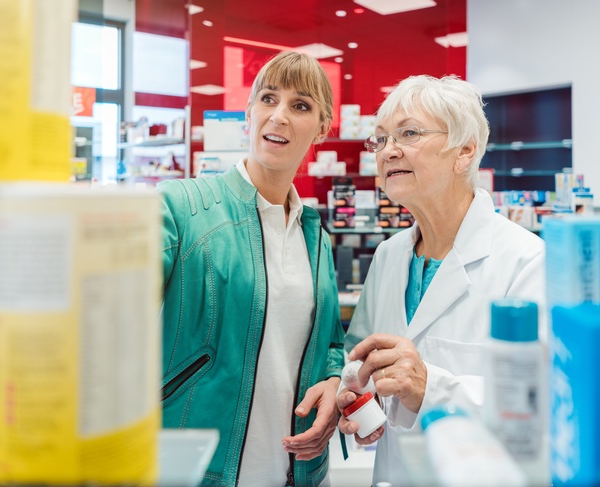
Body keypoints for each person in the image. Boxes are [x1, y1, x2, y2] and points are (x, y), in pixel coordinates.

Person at [336, 75, 546, 485]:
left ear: (464, 151)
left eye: (408, 133)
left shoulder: (526, 261)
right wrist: (359, 394)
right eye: (380, 139)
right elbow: (358, 357)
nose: (388, 151)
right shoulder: (389, 256)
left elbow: (541, 403)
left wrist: (430, 385)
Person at [158, 51, 344, 487]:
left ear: (322, 127)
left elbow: (331, 341)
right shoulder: (181, 207)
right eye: (267, 99)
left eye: (300, 106)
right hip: (197, 469)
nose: (279, 116)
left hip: (295, 472)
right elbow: (103, 287)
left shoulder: (315, 235)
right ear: (249, 112)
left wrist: (334, 379)